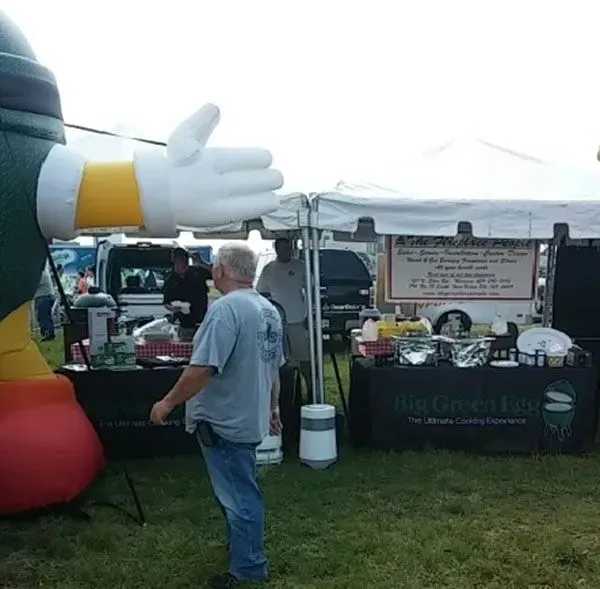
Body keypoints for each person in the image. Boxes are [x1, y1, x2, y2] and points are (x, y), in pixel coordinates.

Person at [150, 242, 284, 588]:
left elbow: (201, 369)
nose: (211, 271)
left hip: (225, 418)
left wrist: (167, 403)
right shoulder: (268, 309)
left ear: (222, 270)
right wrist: (272, 406)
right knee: (238, 489)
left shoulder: (226, 309)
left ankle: (250, 567)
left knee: (239, 496)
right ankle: (241, 548)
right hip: (248, 415)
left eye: (214, 267)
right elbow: (272, 368)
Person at [256, 238, 311, 399]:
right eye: (283, 248)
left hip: (297, 320)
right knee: (280, 361)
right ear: (276, 249)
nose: (287, 252)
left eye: (289, 248)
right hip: (276, 323)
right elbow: (261, 293)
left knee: (304, 358)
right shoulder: (269, 269)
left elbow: (311, 290)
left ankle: (310, 389)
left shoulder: (300, 266)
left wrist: (310, 314)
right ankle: (284, 394)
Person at [163, 247, 212, 338]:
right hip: (185, 325)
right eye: (178, 261)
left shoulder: (197, 272)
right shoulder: (170, 280)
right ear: (173, 261)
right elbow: (166, 303)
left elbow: (216, 273)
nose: (181, 264)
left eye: (183, 260)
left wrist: (201, 262)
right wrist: (174, 308)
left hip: (203, 323)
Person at [34, 262, 56, 341]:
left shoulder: (42, 275)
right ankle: (49, 334)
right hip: (43, 297)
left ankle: (47, 334)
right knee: (44, 317)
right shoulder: (44, 273)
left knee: (43, 317)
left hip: (43, 297)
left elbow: (34, 285)